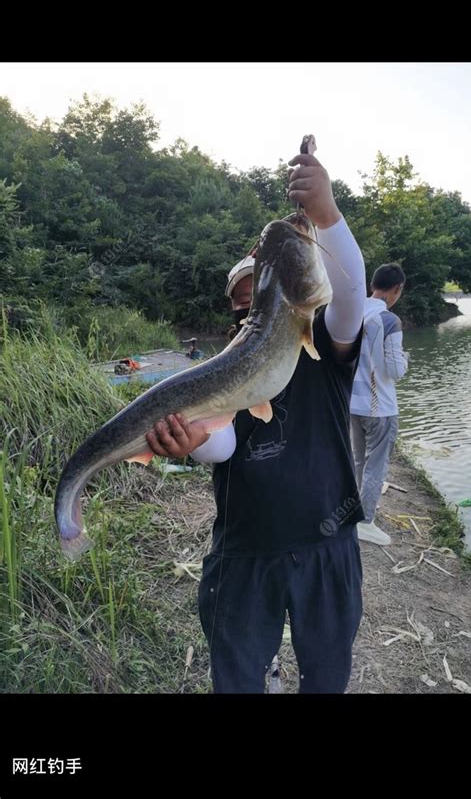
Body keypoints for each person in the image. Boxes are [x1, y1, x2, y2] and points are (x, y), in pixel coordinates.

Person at [144, 150, 367, 693]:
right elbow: (218, 449)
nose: (251, 309)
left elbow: (350, 298)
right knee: (238, 677)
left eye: (260, 292)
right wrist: (187, 439)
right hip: (244, 553)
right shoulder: (217, 376)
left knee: (328, 674)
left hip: (326, 545)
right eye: (241, 304)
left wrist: (327, 214)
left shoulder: (327, 348)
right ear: (234, 317)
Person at [350, 263, 408, 546]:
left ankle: (355, 511)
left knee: (359, 460)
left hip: (353, 404)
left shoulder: (351, 313)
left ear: (373, 284)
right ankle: (366, 522)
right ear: (397, 290)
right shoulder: (388, 320)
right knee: (376, 465)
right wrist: (406, 360)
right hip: (380, 407)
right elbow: (395, 370)